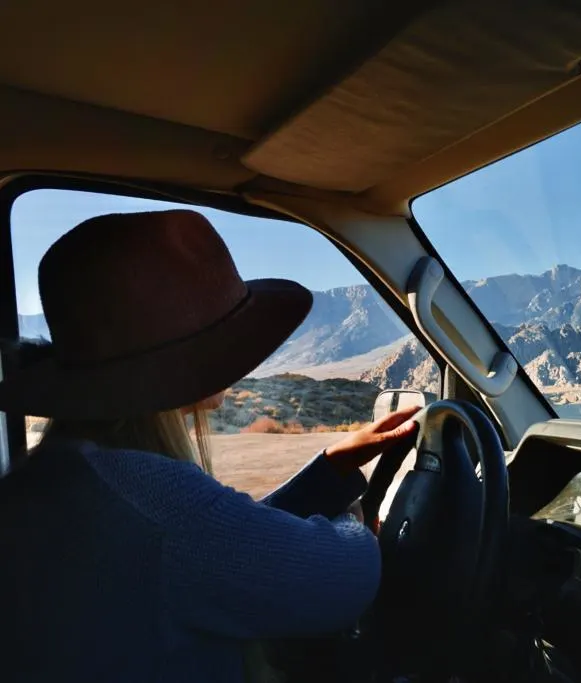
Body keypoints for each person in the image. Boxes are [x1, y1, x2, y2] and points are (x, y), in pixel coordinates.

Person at [0, 209, 419, 681]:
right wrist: (359, 523)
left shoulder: (58, 474)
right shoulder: (155, 498)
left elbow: (215, 538)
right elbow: (348, 579)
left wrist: (327, 471)